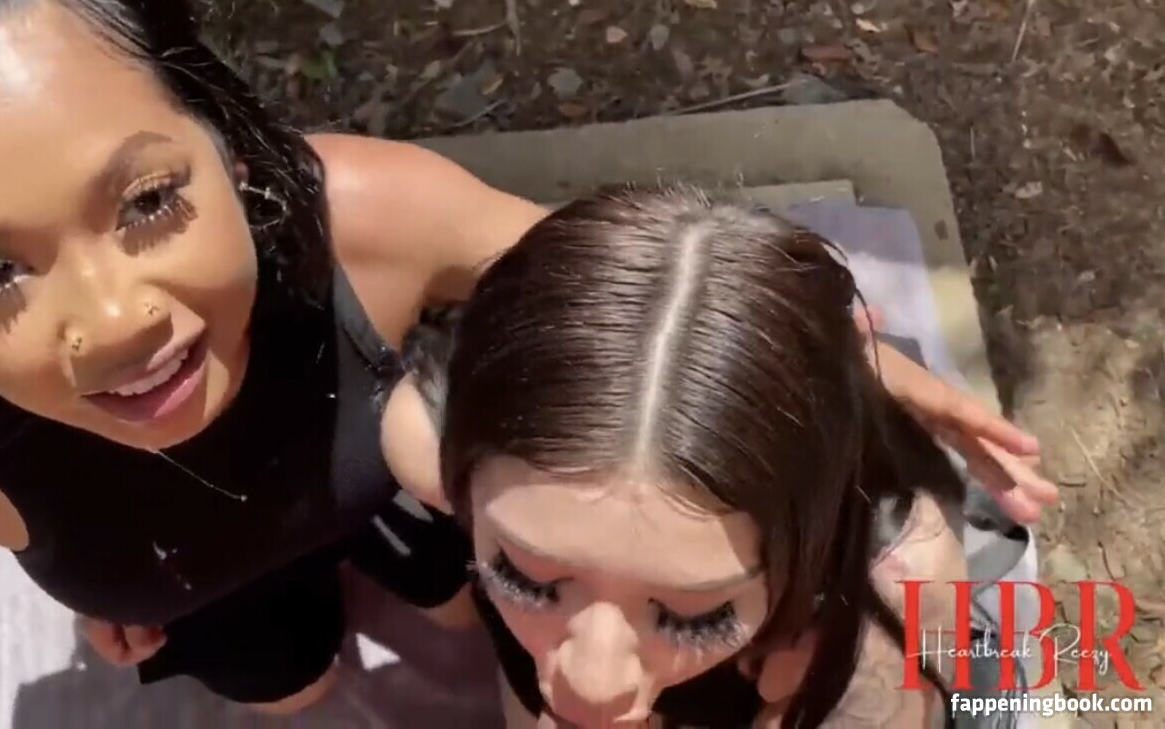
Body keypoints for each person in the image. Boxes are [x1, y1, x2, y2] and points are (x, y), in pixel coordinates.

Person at [0, 0, 1049, 715]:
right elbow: (25, 515)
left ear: (225, 139)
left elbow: (632, 298)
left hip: (389, 515)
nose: (114, 319)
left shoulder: (375, 224)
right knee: (286, 688)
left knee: (461, 600)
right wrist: (101, 587)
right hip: (203, 595)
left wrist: (834, 364)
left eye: (146, 201)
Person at [412, 186, 1050, 728]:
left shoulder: (893, 594)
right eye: (524, 578)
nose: (591, 685)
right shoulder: (439, 434)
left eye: (697, 618)